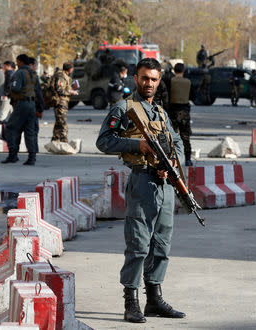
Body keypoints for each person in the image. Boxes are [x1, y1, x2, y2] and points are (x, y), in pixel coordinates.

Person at [96, 58, 185, 323]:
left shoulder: (159, 110)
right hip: (141, 182)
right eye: (145, 78)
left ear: (159, 81)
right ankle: (131, 301)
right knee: (138, 243)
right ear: (135, 78)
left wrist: (171, 165)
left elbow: (176, 140)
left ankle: (154, 299)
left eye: (154, 79)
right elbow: (104, 141)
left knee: (162, 243)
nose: (149, 83)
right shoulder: (124, 108)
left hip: (164, 184)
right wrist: (137, 146)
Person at [1, 54, 39, 165]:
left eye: (17, 61)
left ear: (21, 62)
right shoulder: (33, 74)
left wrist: (10, 87)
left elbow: (16, 88)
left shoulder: (20, 73)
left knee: (11, 128)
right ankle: (32, 157)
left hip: (22, 104)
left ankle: (13, 155)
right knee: (30, 131)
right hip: (32, 104)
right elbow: (38, 91)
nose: (16, 64)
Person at [168, 63, 192, 166]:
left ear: (174, 70)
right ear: (183, 71)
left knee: (171, 136)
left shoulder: (171, 81)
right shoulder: (188, 82)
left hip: (173, 111)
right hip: (184, 112)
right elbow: (192, 95)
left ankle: (171, 158)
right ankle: (188, 159)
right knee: (185, 136)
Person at [51, 62, 78, 143]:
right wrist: (71, 92)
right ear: (70, 69)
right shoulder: (61, 76)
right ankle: (64, 140)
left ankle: (55, 140)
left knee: (58, 122)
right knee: (62, 122)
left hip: (62, 102)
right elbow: (59, 89)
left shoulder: (64, 75)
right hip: (60, 102)